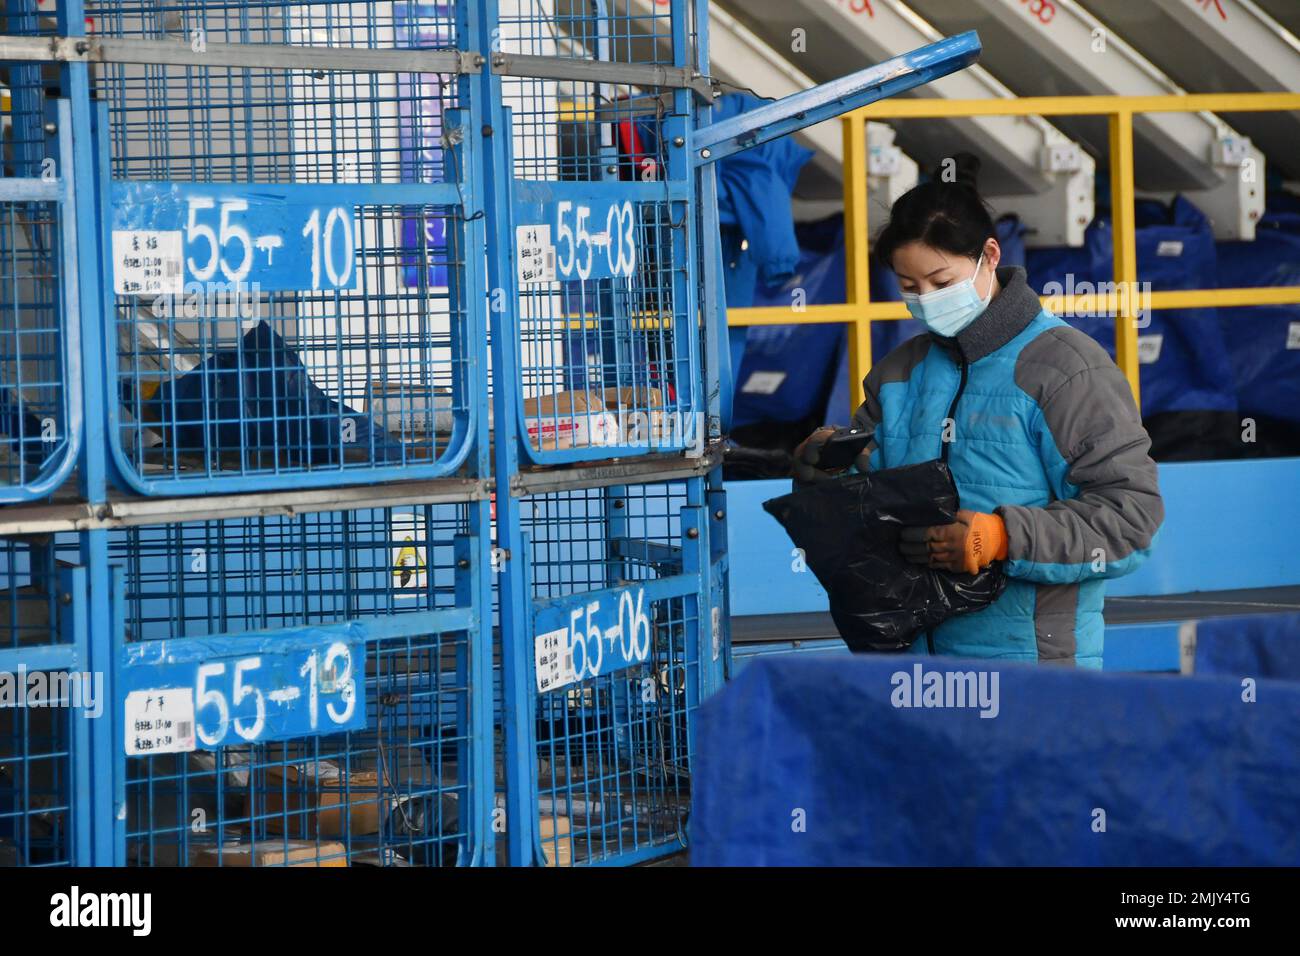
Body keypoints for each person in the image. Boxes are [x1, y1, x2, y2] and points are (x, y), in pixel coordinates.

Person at [794, 154, 1163, 668]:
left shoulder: (1067, 370)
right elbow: (863, 510)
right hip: (911, 671)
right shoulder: (899, 372)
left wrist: (1003, 537)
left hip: (1031, 677)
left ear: (990, 256)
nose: (925, 300)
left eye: (942, 283)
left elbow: (1131, 522)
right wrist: (822, 471)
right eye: (908, 287)